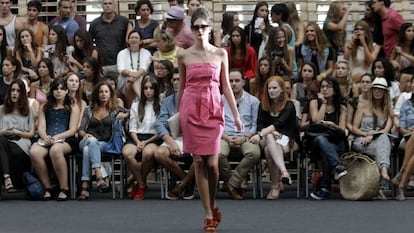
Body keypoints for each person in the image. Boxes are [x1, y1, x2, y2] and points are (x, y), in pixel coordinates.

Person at [177, 7, 243, 232]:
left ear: (209, 28)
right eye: (195, 27)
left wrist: (236, 116)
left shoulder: (220, 53)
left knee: (213, 165)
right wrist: (178, 114)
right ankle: (207, 213)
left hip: (213, 108)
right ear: (191, 29)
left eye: (203, 26)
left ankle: (213, 201)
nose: (199, 30)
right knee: (198, 161)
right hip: (190, 108)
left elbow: (226, 86)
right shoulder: (183, 55)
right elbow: (181, 87)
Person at [29, 77, 80, 201]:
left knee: (55, 150)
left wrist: (57, 137)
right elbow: (41, 127)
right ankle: (48, 187)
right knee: (34, 152)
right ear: (51, 91)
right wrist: (45, 137)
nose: (58, 91)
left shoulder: (72, 106)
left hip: (66, 139)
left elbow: (73, 130)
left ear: (66, 91)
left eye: (62, 89)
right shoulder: (44, 107)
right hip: (47, 137)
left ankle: (64, 188)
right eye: (56, 89)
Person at [250, 76, 298, 199]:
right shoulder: (263, 105)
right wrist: (267, 133)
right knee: (270, 137)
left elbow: (280, 124)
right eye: (269, 88)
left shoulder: (289, 106)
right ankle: (284, 172)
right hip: (267, 138)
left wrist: (264, 133)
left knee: (268, 150)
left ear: (282, 89)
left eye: (274, 88)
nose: (271, 90)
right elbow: (260, 124)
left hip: (286, 140)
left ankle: (275, 185)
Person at [219, 69, 260, 200]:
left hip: (245, 136)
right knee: (217, 154)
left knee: (254, 153)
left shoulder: (253, 101)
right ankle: (234, 183)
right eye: (230, 81)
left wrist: (244, 138)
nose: (233, 84)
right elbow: (216, 124)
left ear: (243, 82)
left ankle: (231, 183)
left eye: (237, 81)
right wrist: (226, 137)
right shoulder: (219, 100)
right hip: (225, 136)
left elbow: (255, 125)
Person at [77, 81, 123, 200]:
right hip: (86, 140)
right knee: (90, 142)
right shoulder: (89, 109)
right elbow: (81, 129)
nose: (103, 94)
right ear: (96, 94)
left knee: (88, 150)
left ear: (110, 94)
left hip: (104, 143)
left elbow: (129, 112)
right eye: (101, 92)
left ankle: (85, 185)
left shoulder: (114, 110)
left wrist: (124, 116)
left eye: (106, 92)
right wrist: (84, 134)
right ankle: (98, 174)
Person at [154, 71, 195, 200]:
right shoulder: (167, 101)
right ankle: (187, 182)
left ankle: (180, 186)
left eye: (180, 79)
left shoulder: (196, 100)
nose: (177, 82)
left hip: (193, 138)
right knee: (159, 153)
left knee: (202, 156)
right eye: (174, 80)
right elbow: (160, 124)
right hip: (174, 138)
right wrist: (171, 142)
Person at [351, 77, 393, 199]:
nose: (377, 92)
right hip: (361, 139)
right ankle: (383, 172)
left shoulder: (388, 110)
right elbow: (354, 128)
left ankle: (382, 172)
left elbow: (386, 130)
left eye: (380, 89)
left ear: (385, 92)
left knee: (384, 138)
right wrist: (366, 135)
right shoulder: (363, 107)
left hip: (378, 139)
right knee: (383, 147)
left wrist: (373, 134)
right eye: (375, 89)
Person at [122, 74, 162, 200]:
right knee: (127, 153)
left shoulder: (161, 105)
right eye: (145, 88)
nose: (148, 91)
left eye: (151, 88)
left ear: (156, 89)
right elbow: (132, 128)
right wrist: (138, 141)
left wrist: (146, 142)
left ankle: (137, 184)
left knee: (148, 154)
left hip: (153, 138)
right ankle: (141, 184)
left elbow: (160, 130)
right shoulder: (136, 104)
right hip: (136, 137)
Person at [309, 78, 348, 200]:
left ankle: (325, 189)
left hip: (335, 141)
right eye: (322, 87)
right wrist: (324, 103)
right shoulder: (315, 103)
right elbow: (316, 121)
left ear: (335, 90)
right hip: (316, 141)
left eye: (328, 86)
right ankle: (338, 166)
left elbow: (342, 129)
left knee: (327, 150)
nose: (324, 89)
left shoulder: (341, 108)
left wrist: (333, 125)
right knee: (322, 140)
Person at [0, 79, 35, 195]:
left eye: (18, 91)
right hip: (4, 141)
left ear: (23, 94)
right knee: (1, 141)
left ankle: (6, 178)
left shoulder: (29, 109)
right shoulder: (1, 109)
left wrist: (16, 132)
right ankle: (7, 177)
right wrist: (4, 132)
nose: (14, 93)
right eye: (13, 90)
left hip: (21, 142)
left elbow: (31, 134)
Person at [89, 0, 129, 76]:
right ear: (102, 5)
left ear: (114, 5)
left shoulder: (124, 21)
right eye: (105, 3)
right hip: (102, 65)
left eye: (110, 3)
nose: (108, 5)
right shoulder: (94, 23)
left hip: (120, 64)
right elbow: (90, 42)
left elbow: (129, 40)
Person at [116, 30, 152, 107]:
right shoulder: (121, 53)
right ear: (128, 41)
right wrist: (132, 74)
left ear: (141, 41)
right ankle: (142, 100)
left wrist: (134, 76)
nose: (134, 39)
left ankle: (132, 107)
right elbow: (121, 69)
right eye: (131, 38)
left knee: (131, 82)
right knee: (130, 82)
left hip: (141, 79)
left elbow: (144, 69)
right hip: (124, 79)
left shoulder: (146, 53)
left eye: (136, 38)